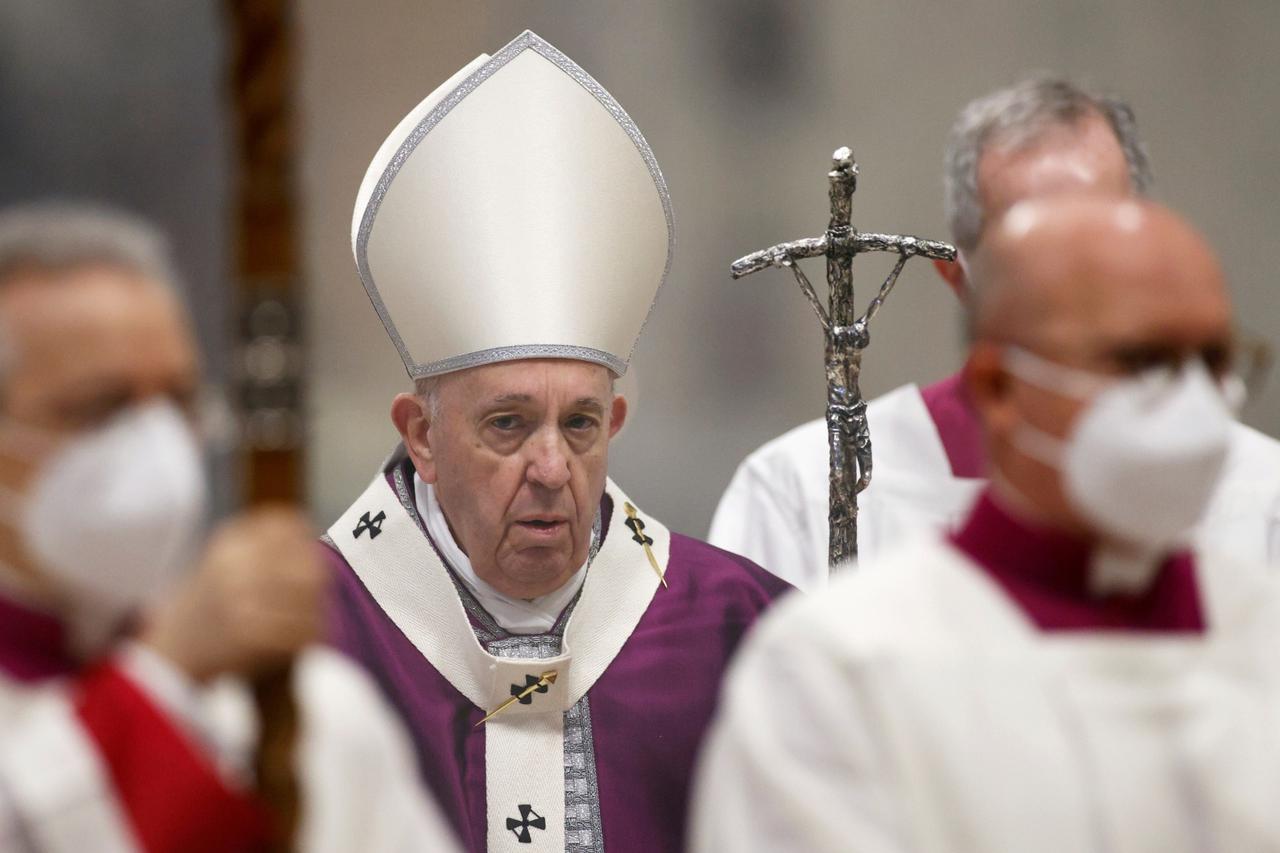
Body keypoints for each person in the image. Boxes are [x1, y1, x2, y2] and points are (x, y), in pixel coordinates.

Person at [692, 195, 1280, 851]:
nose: (1196, 404)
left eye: (1214, 359)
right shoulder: (841, 666)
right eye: (1143, 361)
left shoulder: (1264, 625)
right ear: (998, 388)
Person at [324, 30, 789, 853]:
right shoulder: (315, 625)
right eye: (507, 424)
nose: (551, 469)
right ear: (420, 435)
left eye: (578, 424)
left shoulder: (740, 624)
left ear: (613, 424)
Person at [0, 204, 458, 852]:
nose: (155, 445)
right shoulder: (174, 671)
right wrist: (160, 679)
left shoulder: (316, 712)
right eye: (100, 407)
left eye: (180, 401)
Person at [709, 75, 1280, 589]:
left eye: (1102, 234)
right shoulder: (802, 488)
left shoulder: (1260, 495)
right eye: (1035, 250)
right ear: (957, 275)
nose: (1078, 280)